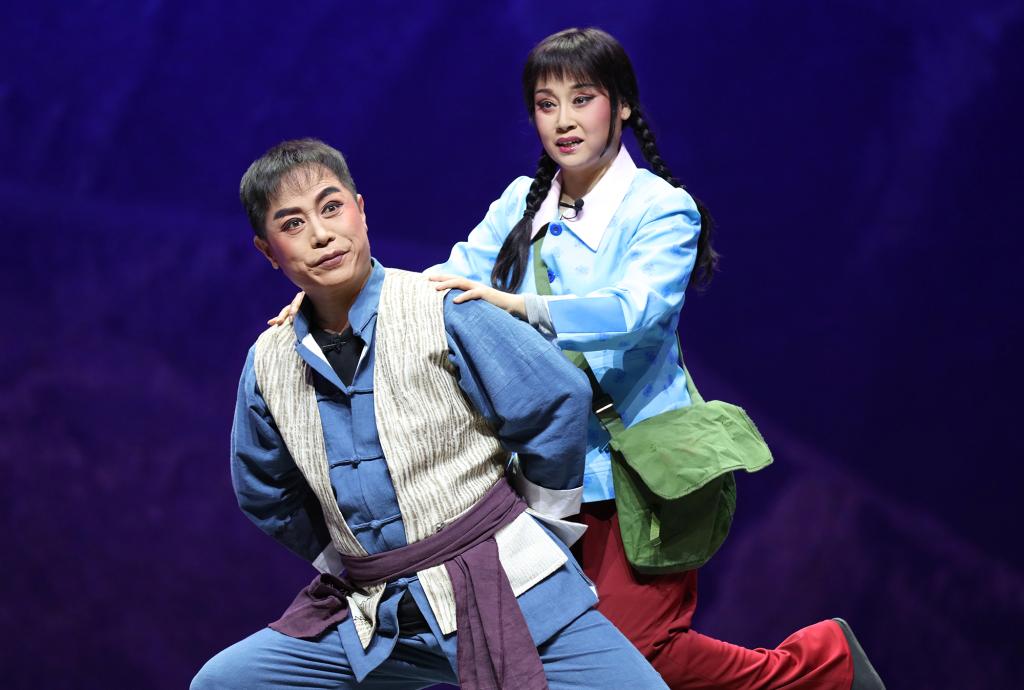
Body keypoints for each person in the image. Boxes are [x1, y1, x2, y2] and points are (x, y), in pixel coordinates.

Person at [270, 28, 885, 690]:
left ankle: (824, 669)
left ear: (622, 104)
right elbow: (443, 284)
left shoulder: (661, 209)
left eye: (582, 99)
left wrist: (522, 306)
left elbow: (635, 312)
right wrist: (339, 301)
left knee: (640, 653)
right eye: (546, 103)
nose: (563, 120)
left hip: (638, 468)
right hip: (542, 473)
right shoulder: (521, 203)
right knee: (549, 654)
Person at [192, 138, 669, 689]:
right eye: (293, 224)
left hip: (503, 585)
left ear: (360, 210)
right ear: (268, 250)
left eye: (331, 207)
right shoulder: (269, 361)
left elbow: (554, 398)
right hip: (377, 611)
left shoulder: (439, 307)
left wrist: (539, 526)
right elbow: (264, 489)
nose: (321, 234)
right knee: (225, 683)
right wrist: (347, 558)